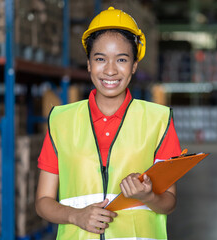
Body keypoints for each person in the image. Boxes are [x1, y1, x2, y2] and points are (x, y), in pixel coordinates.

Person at [35, 6, 181, 240]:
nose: (111, 70)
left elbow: (169, 203)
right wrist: (76, 216)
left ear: (134, 65)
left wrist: (148, 197)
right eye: (100, 59)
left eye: (121, 59)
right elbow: (43, 202)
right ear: (89, 64)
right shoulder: (61, 120)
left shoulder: (158, 121)